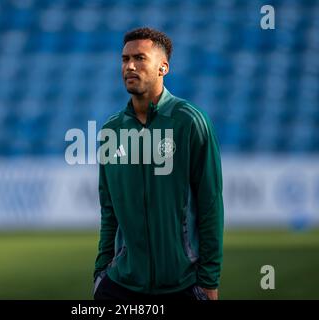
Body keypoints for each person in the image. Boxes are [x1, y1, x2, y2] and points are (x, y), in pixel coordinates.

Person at [93, 27, 224, 300]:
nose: (129, 66)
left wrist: (209, 280)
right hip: (120, 285)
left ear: (163, 67)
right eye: (125, 59)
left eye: (140, 58)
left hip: (183, 284)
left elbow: (210, 205)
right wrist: (100, 272)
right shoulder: (111, 130)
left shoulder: (190, 122)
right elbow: (109, 210)